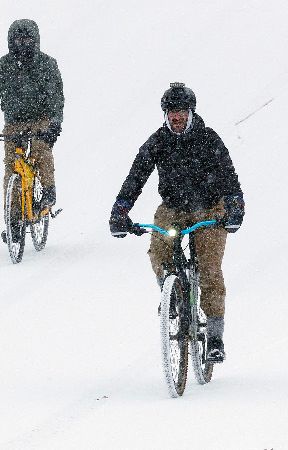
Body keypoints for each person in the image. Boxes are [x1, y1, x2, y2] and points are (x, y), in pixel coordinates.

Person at [108, 82, 245, 363]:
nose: (176, 118)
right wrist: (121, 209)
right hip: (173, 208)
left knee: (208, 269)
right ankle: (171, 294)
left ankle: (215, 338)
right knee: (158, 251)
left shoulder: (209, 139)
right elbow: (136, 177)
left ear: (191, 113)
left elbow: (229, 176)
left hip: (209, 210)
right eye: (171, 112)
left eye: (181, 112)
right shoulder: (158, 141)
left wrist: (234, 206)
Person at [0, 19, 64, 243]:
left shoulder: (47, 64)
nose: (22, 45)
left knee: (40, 148)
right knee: (11, 166)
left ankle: (49, 189)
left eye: (27, 40)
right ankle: (14, 219)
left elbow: (56, 97)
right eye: (18, 41)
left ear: (35, 41)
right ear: (10, 42)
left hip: (40, 119)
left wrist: (54, 123)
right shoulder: (3, 65)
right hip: (14, 122)